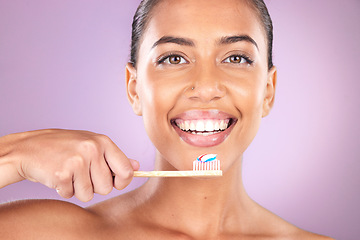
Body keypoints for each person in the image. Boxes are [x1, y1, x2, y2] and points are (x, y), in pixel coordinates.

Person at [0, 0, 334, 239]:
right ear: (134, 89)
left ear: (268, 91)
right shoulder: (45, 233)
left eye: (236, 57)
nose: (205, 88)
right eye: (174, 57)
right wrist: (14, 155)